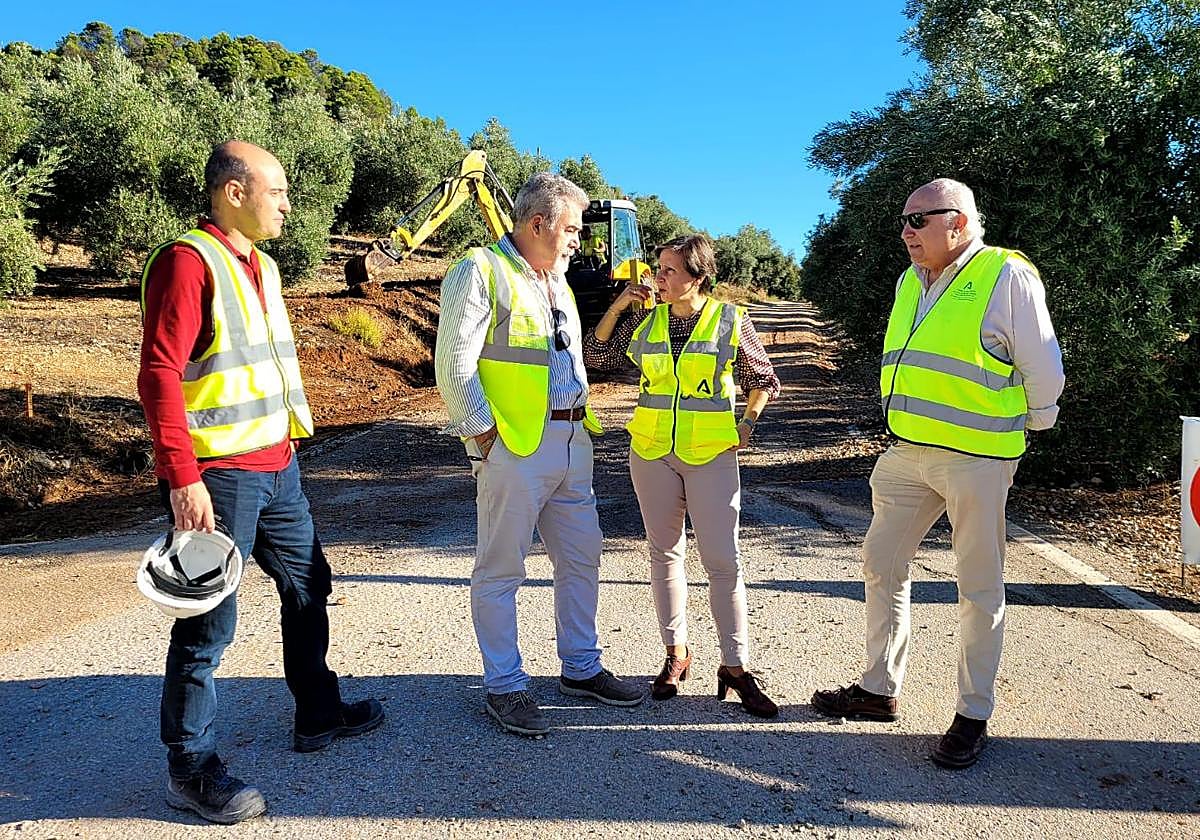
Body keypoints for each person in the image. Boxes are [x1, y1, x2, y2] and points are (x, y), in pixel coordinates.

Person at [138, 140, 384, 823]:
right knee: (206, 624)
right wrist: (181, 478)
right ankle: (189, 769)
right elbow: (158, 372)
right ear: (234, 193)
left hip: (278, 466)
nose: (287, 203)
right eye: (276, 190)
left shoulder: (265, 267)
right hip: (218, 477)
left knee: (310, 586)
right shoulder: (189, 261)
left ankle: (318, 710)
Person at [811, 178, 1065, 768]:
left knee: (978, 585)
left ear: (958, 220)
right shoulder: (909, 281)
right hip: (907, 452)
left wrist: (1031, 425)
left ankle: (973, 713)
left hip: (975, 458)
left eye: (917, 221)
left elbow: (1042, 364)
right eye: (903, 221)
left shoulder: (1005, 275)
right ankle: (879, 689)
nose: (905, 232)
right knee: (881, 563)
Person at [435, 172, 645, 737]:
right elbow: (453, 365)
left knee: (582, 559)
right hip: (515, 446)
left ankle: (580, 669)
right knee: (501, 569)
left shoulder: (559, 283)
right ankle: (505, 685)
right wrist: (484, 439)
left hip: (573, 442)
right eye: (573, 229)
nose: (580, 240)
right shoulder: (479, 270)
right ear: (537, 224)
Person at [584, 234, 782, 718]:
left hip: (711, 453)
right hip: (651, 451)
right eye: (658, 268)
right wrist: (618, 305)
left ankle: (736, 667)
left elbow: (764, 379)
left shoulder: (730, 319)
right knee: (663, 554)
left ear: (698, 276)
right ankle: (676, 653)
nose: (658, 277)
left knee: (722, 561)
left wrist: (748, 423)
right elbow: (596, 358)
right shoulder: (647, 320)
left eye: (669, 270)